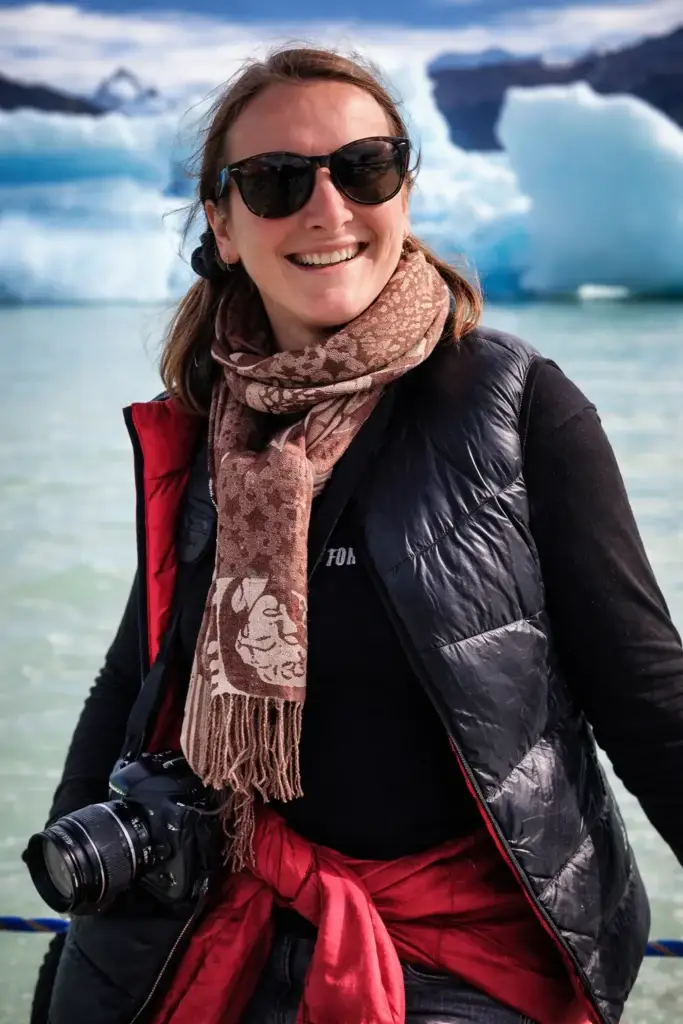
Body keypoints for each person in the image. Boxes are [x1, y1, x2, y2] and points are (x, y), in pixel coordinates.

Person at [29, 45, 683, 1024]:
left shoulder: (513, 407)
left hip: (456, 952)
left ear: (403, 191)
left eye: (363, 167)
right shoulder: (206, 428)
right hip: (210, 919)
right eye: (276, 180)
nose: (326, 207)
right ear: (223, 224)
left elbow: (646, 698)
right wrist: (82, 862)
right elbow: (139, 669)